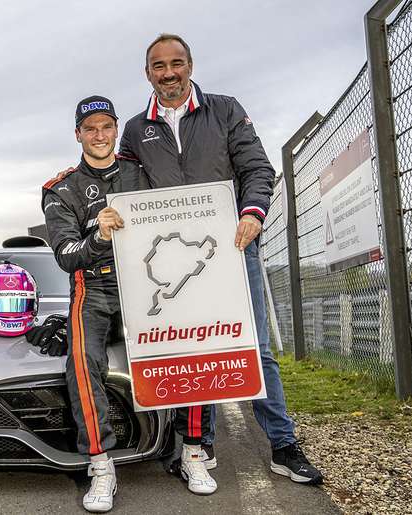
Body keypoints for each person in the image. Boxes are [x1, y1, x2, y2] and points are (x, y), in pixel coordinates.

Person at [119, 33, 323, 486]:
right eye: (158, 66)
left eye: (176, 63)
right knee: (189, 345)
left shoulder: (225, 108)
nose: (168, 73)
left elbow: (256, 168)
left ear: (190, 64)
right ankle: (200, 440)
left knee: (255, 347)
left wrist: (253, 213)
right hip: (174, 256)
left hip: (232, 248)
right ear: (147, 72)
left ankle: (283, 445)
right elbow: (128, 190)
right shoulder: (135, 129)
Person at [41, 96, 146, 512]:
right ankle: (100, 464)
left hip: (149, 282)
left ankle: (192, 450)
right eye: (90, 128)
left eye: (106, 126)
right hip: (94, 286)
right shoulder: (59, 188)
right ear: (78, 134)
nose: (99, 135)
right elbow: (67, 257)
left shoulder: (142, 172)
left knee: (183, 350)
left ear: (116, 129)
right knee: (82, 364)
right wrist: (99, 235)